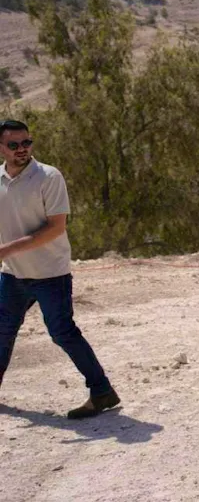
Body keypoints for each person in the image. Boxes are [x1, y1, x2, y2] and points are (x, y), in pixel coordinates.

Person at [0, 120, 119, 419]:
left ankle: (102, 392)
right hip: (13, 274)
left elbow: (56, 228)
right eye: (13, 145)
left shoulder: (49, 177)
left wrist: (5, 250)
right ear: (1, 148)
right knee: (2, 330)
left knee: (62, 333)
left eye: (26, 143)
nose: (22, 149)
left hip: (50, 274)